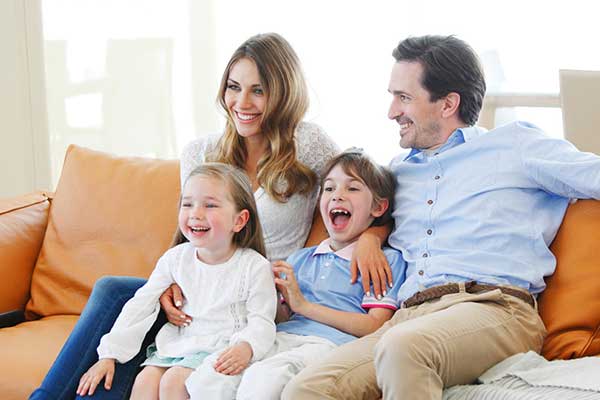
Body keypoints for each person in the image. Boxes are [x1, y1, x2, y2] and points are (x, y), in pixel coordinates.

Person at [31, 32, 389, 400]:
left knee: (145, 339)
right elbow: (189, 233)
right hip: (201, 288)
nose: (242, 102)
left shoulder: (308, 143)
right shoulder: (200, 152)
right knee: (118, 298)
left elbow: (360, 190)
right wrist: (170, 284)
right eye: (234, 87)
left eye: (259, 90)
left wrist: (371, 237)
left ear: (283, 93)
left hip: (255, 296)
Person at [282, 35, 600, 400]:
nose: (391, 112)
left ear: (448, 103)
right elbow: (373, 212)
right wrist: (372, 237)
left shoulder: (516, 146)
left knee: (404, 349)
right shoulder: (398, 172)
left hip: (494, 307)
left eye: (403, 98)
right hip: (410, 317)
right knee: (306, 389)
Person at [76, 163, 277, 399]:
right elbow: (141, 305)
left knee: (174, 383)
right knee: (145, 381)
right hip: (180, 345)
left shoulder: (254, 266)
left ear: (239, 220)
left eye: (210, 205)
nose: (196, 213)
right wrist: (109, 355)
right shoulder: (176, 258)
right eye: (187, 204)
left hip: (224, 348)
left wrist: (247, 347)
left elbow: (262, 320)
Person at [234, 150, 406, 399]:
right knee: (222, 373)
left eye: (352, 189)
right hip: (283, 338)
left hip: (330, 345)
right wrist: (270, 291)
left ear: (378, 207)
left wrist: (303, 306)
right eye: (329, 189)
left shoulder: (383, 260)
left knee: (266, 377)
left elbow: (375, 326)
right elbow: (284, 317)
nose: (338, 196)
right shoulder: (301, 258)